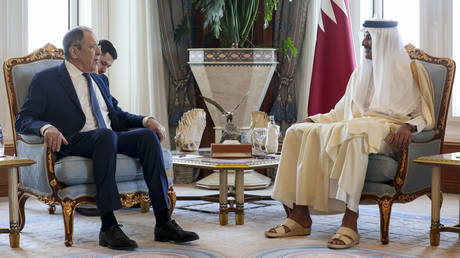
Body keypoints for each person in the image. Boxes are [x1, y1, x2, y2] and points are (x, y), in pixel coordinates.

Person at [15, 26, 199, 250]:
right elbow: (23, 119)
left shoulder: (99, 80)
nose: (98, 53)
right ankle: (109, 226)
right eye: (93, 47)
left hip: (108, 136)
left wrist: (145, 120)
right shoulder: (47, 79)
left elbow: (118, 115)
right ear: (74, 51)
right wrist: (46, 128)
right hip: (75, 140)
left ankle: (163, 222)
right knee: (104, 136)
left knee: (147, 137)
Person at [265, 20, 435, 249]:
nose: (364, 42)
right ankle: (299, 216)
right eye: (364, 36)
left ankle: (350, 221)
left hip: (388, 132)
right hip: (355, 126)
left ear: (384, 40)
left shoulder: (413, 71)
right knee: (298, 131)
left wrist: (409, 126)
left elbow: (425, 115)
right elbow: (340, 112)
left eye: (370, 38)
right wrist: (313, 120)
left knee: (355, 134)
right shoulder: (360, 73)